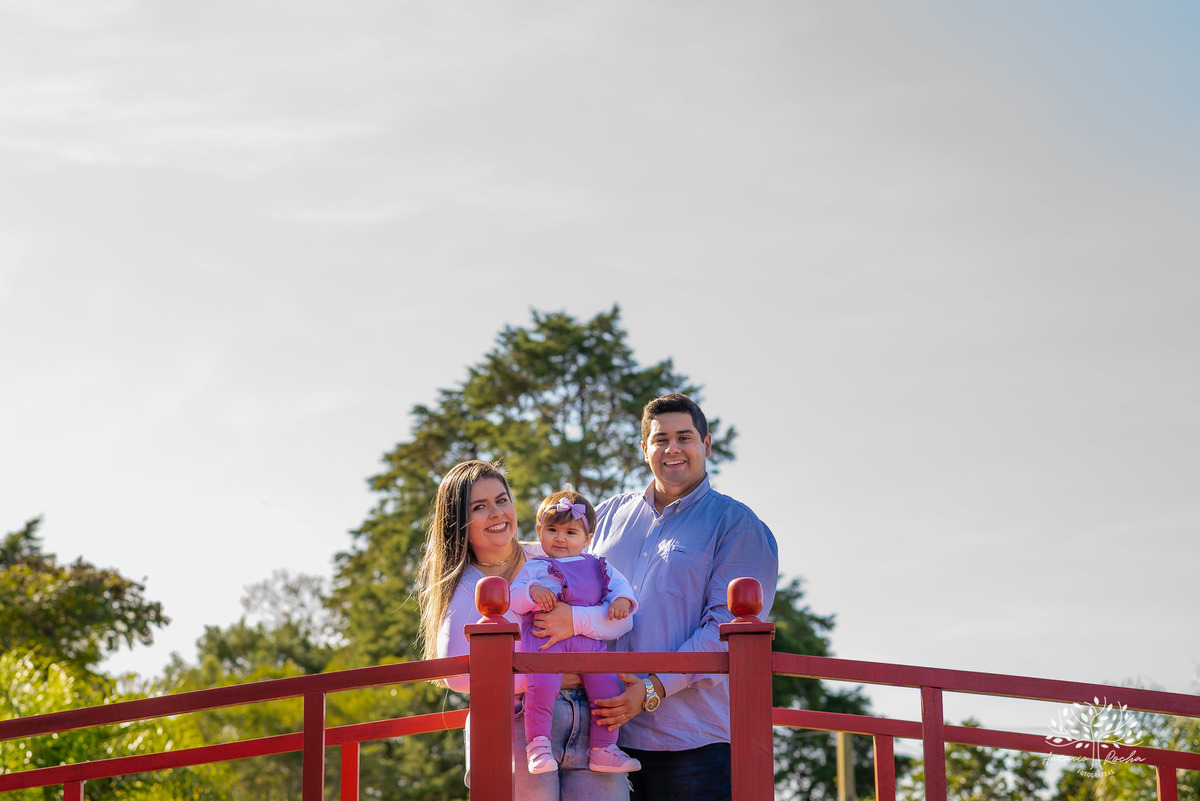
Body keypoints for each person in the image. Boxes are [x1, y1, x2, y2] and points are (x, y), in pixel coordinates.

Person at [533, 393, 779, 801]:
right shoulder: (607, 516)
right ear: (644, 448)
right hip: (597, 734)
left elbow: (725, 630)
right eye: (660, 439)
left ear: (707, 445)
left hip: (691, 742)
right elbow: (550, 565)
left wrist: (650, 689)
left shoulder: (738, 527)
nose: (673, 449)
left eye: (685, 437)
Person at [416, 460, 633, 801]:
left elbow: (619, 618)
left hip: (589, 717)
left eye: (502, 500)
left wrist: (574, 621)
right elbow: (456, 675)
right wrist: (542, 674)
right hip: (515, 722)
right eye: (479, 507)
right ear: (458, 521)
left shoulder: (547, 556)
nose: (497, 513)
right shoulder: (461, 586)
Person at [509, 489, 642, 775]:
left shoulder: (600, 566)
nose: (560, 538)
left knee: (607, 687)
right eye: (552, 529)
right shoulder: (534, 567)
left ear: (588, 538)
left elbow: (622, 589)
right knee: (540, 687)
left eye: (571, 532)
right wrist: (533, 591)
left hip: (589, 643)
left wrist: (621, 601)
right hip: (545, 642)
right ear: (539, 531)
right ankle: (538, 746)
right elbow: (513, 597)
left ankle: (603, 749)